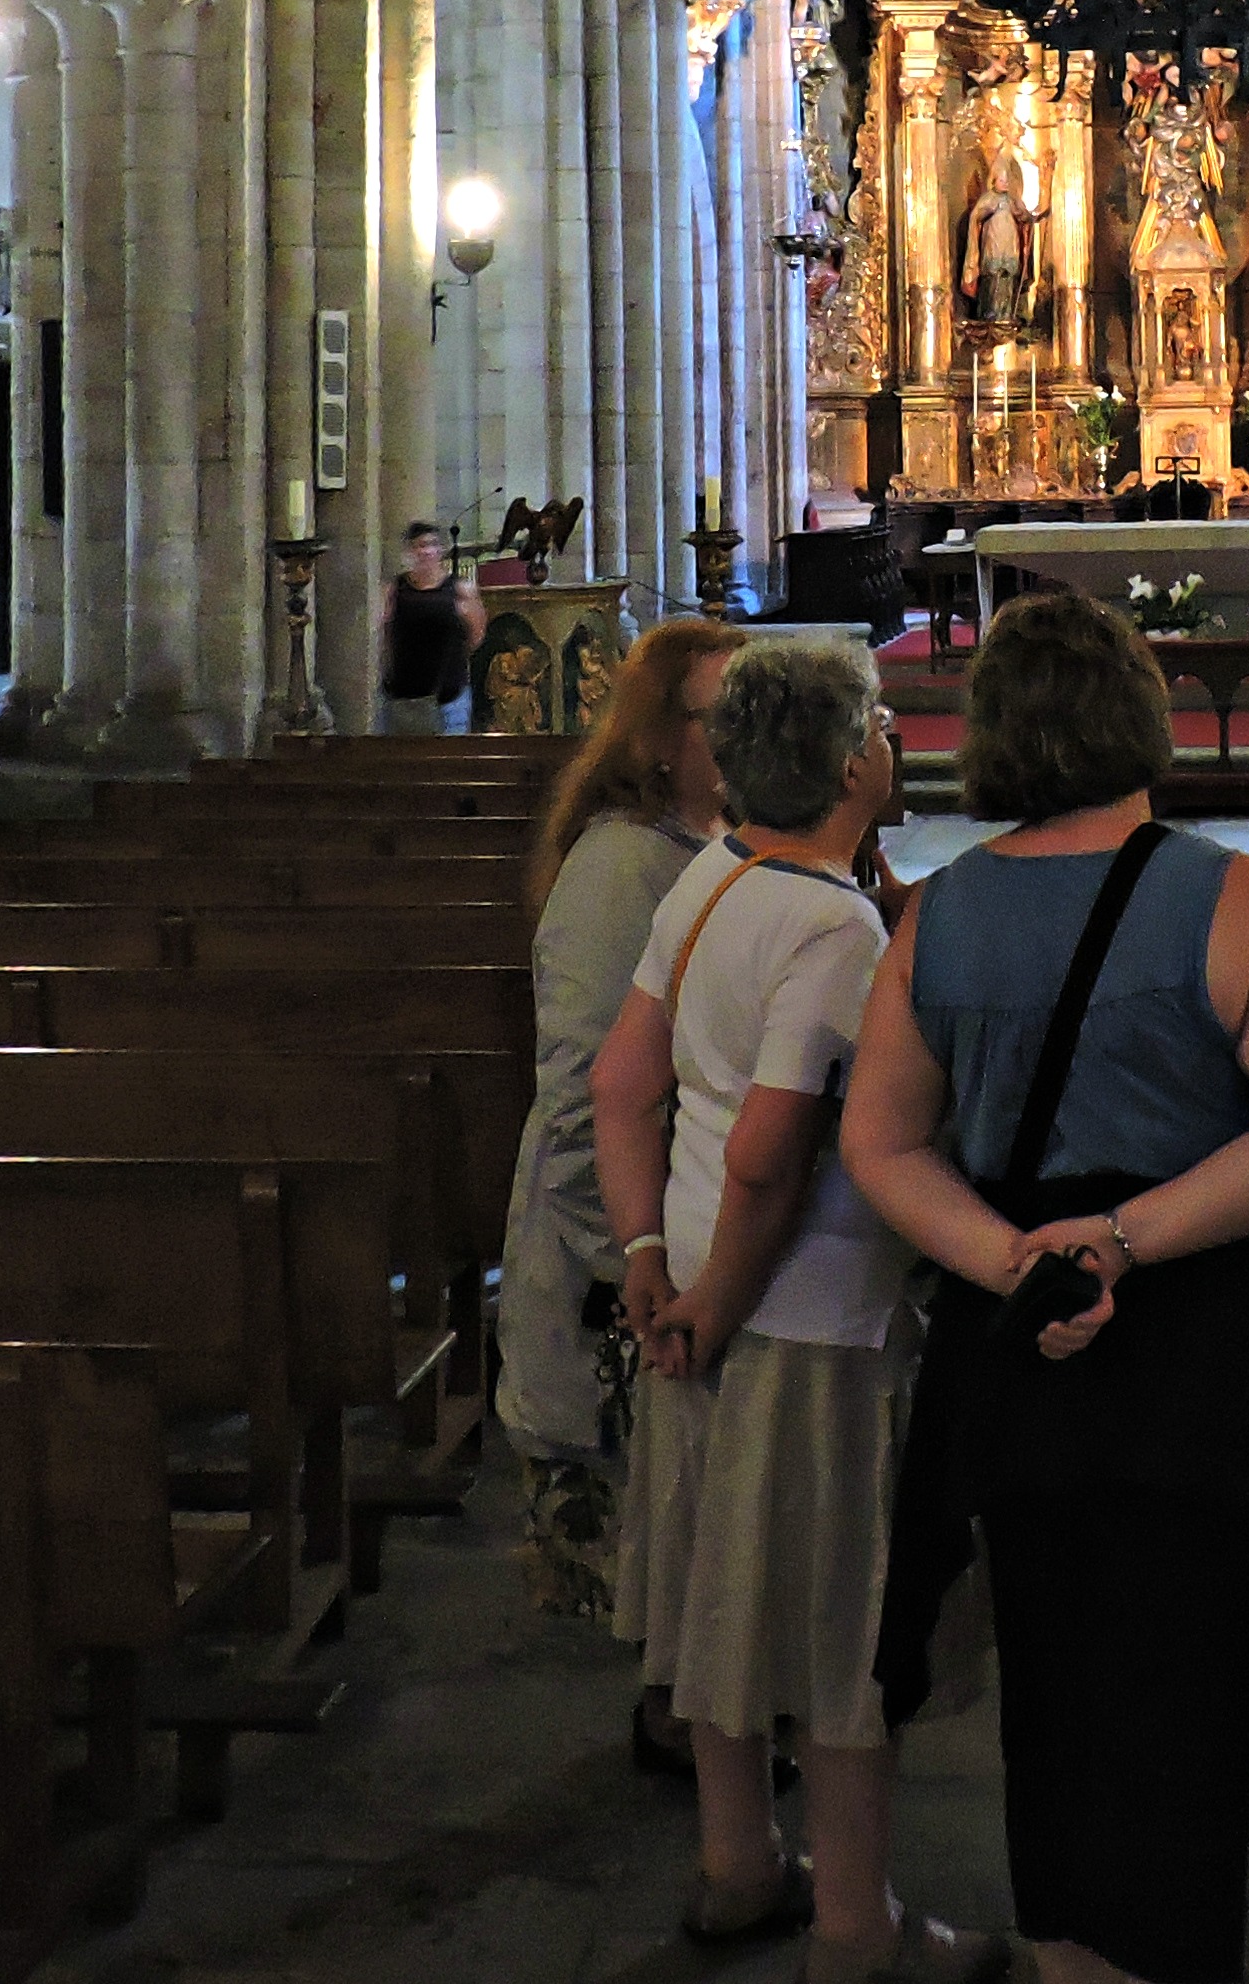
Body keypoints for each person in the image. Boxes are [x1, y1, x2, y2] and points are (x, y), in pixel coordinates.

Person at [846, 592, 1249, 1984]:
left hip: (1027, 1350)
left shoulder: (936, 916)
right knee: (1193, 1717)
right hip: (1212, 1359)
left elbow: (880, 1142)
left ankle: (1072, 1953)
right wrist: (1125, 1240)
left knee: (1059, 1705)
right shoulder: (1230, 895)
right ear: (1144, 716)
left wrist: (1015, 1255)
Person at [593, 634, 1001, 1984]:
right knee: (836, 1626)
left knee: (721, 1603)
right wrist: (711, 1299)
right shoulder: (828, 928)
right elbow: (776, 1149)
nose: (893, 740)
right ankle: (856, 1931)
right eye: (879, 723)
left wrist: (651, 1254)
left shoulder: (715, 876)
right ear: (849, 762)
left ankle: (738, 1864)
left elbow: (622, 1084)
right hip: (801, 1320)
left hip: (696, 1295)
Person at [496, 613, 746, 1708]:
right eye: (722, 719)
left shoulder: (705, 848)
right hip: (621, 1296)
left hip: (675, 1269)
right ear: (658, 741)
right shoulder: (617, 875)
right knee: (668, 1578)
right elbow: (582, 1113)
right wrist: (643, 1271)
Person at [381, 521, 487, 734]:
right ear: (410, 552)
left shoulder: (460, 590)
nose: (426, 551)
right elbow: (385, 636)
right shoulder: (395, 590)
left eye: (431, 545)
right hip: (403, 696)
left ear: (440, 551)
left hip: (448, 697)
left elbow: (476, 636)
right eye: (420, 546)